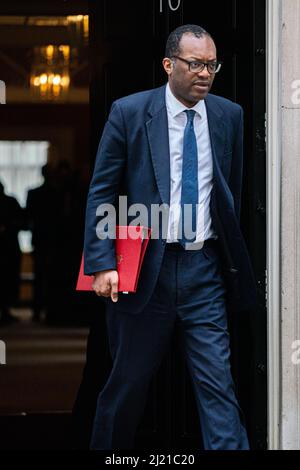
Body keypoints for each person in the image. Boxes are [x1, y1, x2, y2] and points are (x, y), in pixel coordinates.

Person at [83, 24, 257, 450]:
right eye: (195, 64)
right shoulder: (129, 112)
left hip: (204, 272)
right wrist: (102, 263)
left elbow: (228, 192)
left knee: (218, 385)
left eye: (211, 65)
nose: (205, 73)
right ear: (168, 65)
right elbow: (102, 190)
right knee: (126, 386)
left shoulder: (227, 115)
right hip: (145, 272)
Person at [0, 181, 23, 325]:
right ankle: (5, 309)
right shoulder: (11, 202)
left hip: (9, 247)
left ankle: (5, 309)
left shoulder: (11, 202)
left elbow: (23, 222)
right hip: (9, 247)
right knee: (8, 279)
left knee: (8, 279)